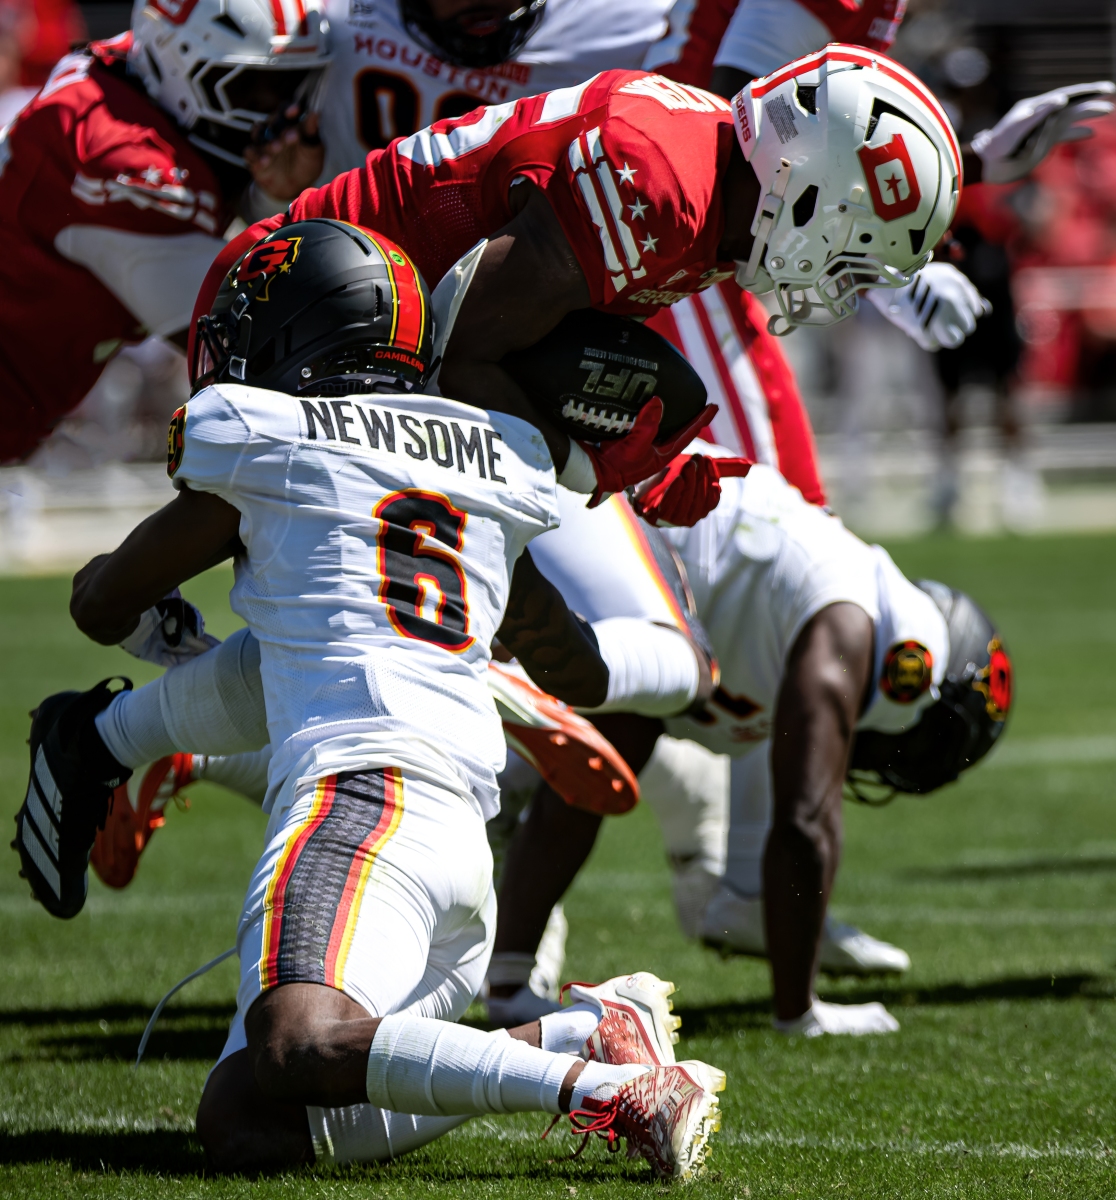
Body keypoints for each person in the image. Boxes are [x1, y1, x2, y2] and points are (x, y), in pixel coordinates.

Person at [15, 219, 726, 1178]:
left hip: (360, 806)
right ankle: (579, 1036)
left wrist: (152, 626)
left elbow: (100, 605)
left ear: (299, 333)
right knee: (247, 1118)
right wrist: (688, 663)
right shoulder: (496, 457)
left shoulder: (271, 442)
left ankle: (605, 1089)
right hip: (463, 844)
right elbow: (576, 668)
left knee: (295, 1047)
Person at [493, 452, 1013, 1035]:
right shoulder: (851, 626)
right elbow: (804, 821)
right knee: (607, 696)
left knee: (615, 741)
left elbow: (608, 755)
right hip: (603, 507)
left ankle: (507, 983)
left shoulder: (821, 619)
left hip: (640, 560)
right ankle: (502, 736)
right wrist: (799, 1012)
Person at [0, 0, 329, 462]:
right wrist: (283, 200)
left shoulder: (131, 67)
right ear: (176, 65)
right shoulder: (123, 171)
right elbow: (256, 352)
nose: (276, 112)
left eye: (292, 86)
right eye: (252, 89)